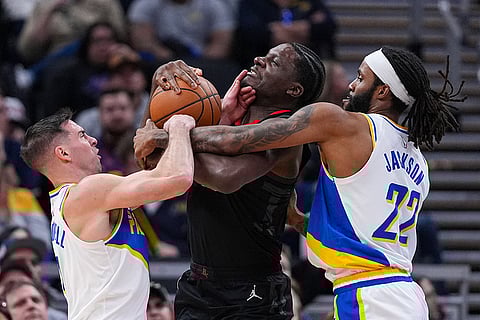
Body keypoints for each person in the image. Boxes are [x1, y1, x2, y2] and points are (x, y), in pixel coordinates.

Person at [134, 46, 463, 319]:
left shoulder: (341, 123)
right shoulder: (416, 159)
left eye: (360, 78)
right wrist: (298, 220)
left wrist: (167, 134)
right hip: (400, 293)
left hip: (368, 296)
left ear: (382, 91)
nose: (349, 85)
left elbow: (237, 142)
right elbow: (365, 229)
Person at [134, 42, 326, 319]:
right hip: (198, 283)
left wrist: (174, 137)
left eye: (273, 62)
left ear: (293, 90)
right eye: (265, 53)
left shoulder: (286, 134)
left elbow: (224, 178)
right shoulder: (224, 120)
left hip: (253, 290)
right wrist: (159, 85)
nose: (259, 58)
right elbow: (148, 156)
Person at [19, 109, 195, 319]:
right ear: (63, 153)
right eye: (82, 135)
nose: (93, 139)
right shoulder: (87, 192)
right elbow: (179, 178)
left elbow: (161, 174)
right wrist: (179, 125)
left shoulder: (73, 200)